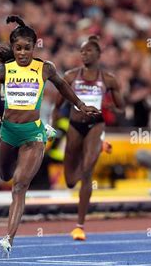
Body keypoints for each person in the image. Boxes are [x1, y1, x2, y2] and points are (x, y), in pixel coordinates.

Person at [0, 16, 100, 256]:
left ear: (34, 47)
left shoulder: (44, 68)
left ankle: (8, 239)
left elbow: (63, 86)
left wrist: (80, 105)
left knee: (19, 185)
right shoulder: (4, 70)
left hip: (32, 135)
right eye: (18, 48)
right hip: (8, 131)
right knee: (5, 175)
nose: (23, 53)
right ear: (13, 48)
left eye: (27, 48)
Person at [53, 36, 124, 241]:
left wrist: (111, 105)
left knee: (87, 170)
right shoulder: (70, 76)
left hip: (96, 125)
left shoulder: (108, 79)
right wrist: (51, 127)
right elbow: (58, 106)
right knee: (69, 180)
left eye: (89, 51)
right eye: (82, 51)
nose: (84, 54)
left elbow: (121, 107)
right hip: (75, 126)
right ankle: (97, 148)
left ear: (99, 55)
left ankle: (79, 226)